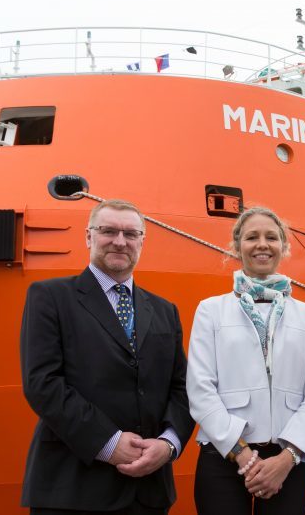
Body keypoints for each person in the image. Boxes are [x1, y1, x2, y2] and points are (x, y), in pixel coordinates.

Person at [20, 199, 195, 515]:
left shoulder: (165, 311)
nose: (119, 241)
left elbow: (182, 388)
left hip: (148, 492)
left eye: (130, 234)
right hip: (71, 489)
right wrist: (108, 443)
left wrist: (169, 445)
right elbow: (42, 383)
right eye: (108, 231)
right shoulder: (50, 297)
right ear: (88, 237)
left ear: (142, 241)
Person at [187, 207, 305, 515]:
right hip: (223, 453)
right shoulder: (210, 310)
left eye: (271, 237)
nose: (262, 244)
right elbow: (200, 388)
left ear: (283, 247)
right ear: (237, 247)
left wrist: (288, 457)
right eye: (252, 237)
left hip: (287, 459)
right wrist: (243, 454)